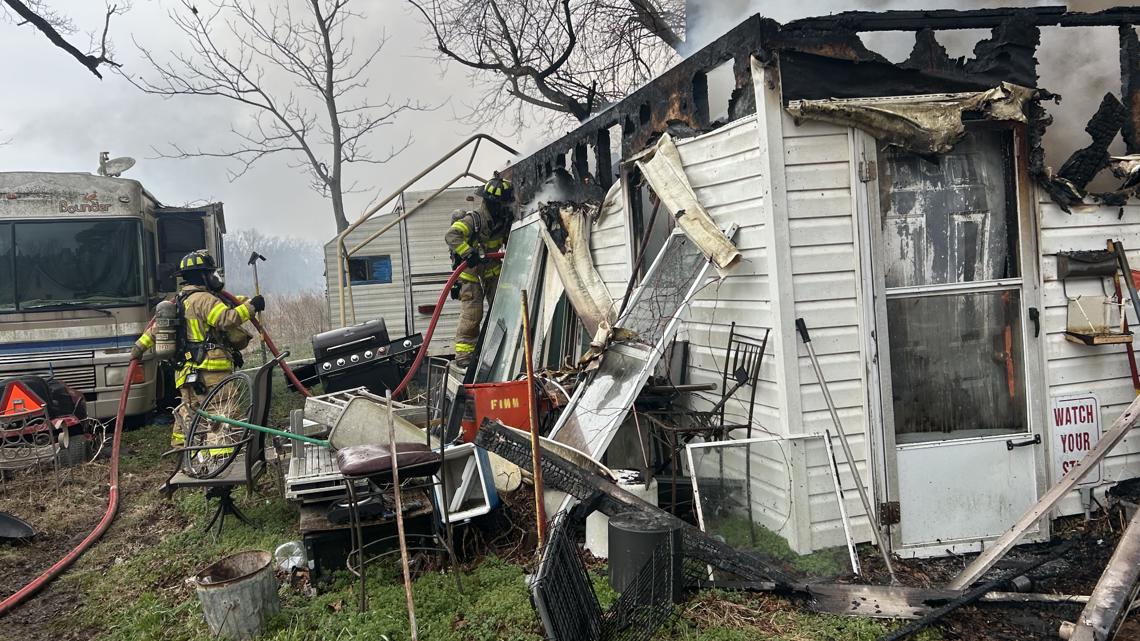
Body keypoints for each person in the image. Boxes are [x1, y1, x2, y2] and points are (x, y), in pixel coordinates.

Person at [130, 250, 264, 447]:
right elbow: (226, 319)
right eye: (211, 273)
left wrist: (137, 350)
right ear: (203, 275)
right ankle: (221, 455)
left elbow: (154, 330)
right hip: (211, 372)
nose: (214, 277)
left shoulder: (178, 302)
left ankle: (184, 453)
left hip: (185, 373)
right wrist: (252, 307)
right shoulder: (204, 299)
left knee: (189, 415)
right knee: (222, 415)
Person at [445, 175, 514, 367]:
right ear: (493, 203)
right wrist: (468, 252)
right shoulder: (474, 219)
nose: (506, 207)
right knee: (473, 314)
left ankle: (503, 349)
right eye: (504, 204)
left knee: (503, 309)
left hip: (493, 272)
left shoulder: (504, 220)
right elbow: (451, 235)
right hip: (471, 274)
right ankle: (464, 356)